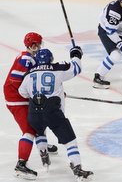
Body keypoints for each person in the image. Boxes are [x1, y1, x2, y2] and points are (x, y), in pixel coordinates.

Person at [18, 47, 94, 181]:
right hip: (52, 112)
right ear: (51, 59)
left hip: (34, 112)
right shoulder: (57, 68)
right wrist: (75, 54)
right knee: (70, 141)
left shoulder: (28, 73)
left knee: (39, 131)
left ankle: (43, 152)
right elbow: (76, 68)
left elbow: (22, 92)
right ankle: (77, 168)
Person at [3, 32, 57, 180]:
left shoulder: (28, 56)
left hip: (21, 97)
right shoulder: (27, 59)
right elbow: (15, 81)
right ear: (33, 45)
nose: (40, 47)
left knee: (37, 121)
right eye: (38, 44)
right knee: (29, 130)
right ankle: (20, 165)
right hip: (17, 100)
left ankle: (43, 146)